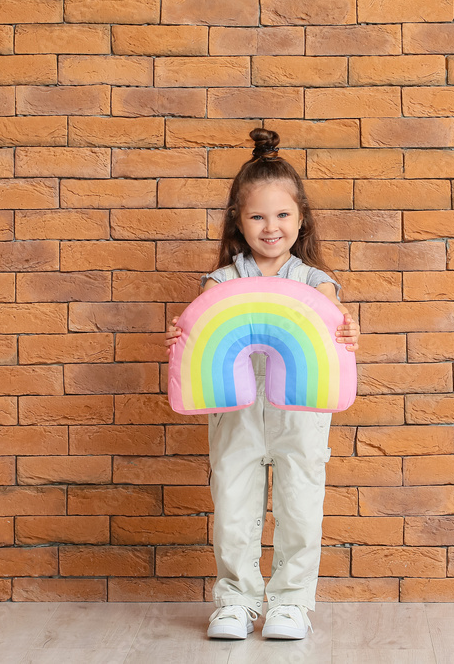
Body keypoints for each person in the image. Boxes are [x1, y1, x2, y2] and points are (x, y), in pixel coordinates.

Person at [165, 128, 360, 641]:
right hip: (237, 415)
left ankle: (292, 603)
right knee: (233, 505)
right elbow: (196, 327)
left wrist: (349, 327)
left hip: (300, 414)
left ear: (300, 219)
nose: (270, 227)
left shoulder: (313, 281)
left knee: (300, 505)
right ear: (238, 220)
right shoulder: (222, 282)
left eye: (282, 216)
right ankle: (236, 600)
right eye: (257, 216)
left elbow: (336, 319)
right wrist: (181, 334)